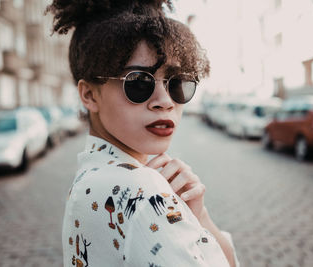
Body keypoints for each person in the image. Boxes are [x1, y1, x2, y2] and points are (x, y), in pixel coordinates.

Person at [45, 1, 239, 266]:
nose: (165, 101)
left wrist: (197, 215)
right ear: (89, 95)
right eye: (138, 82)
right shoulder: (144, 191)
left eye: (177, 83)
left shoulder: (88, 180)